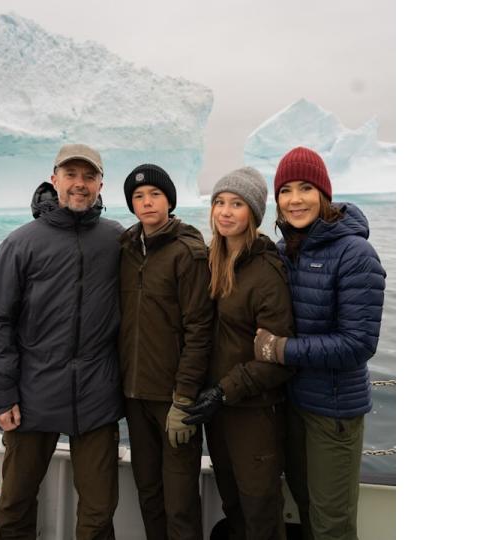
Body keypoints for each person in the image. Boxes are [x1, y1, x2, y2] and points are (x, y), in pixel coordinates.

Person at [0, 143, 125, 540]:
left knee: (98, 512)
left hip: (96, 394)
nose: (80, 184)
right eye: (71, 175)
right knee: (14, 505)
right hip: (33, 393)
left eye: (89, 176)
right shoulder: (22, 243)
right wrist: (3, 395)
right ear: (54, 179)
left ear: (100, 184)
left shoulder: (117, 240)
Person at [253, 146, 386, 540]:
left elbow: (359, 343)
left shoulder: (355, 254)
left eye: (306, 188)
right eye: (285, 190)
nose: (295, 200)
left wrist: (281, 350)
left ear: (324, 194)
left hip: (334, 413)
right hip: (294, 405)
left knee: (331, 524)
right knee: (306, 511)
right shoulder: (285, 252)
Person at [181, 166, 295, 540]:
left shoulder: (266, 271)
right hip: (219, 411)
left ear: (254, 214)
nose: (225, 211)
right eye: (219, 202)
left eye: (237, 204)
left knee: (259, 508)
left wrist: (224, 389)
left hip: (253, 412)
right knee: (233, 504)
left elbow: (276, 358)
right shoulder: (212, 260)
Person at [118, 164, 214, 540]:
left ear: (170, 200)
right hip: (134, 396)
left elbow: (199, 330)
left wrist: (185, 397)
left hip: (173, 399)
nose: (147, 202)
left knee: (180, 503)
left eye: (154, 195)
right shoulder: (125, 249)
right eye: (138, 197)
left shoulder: (188, 253)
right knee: (149, 494)